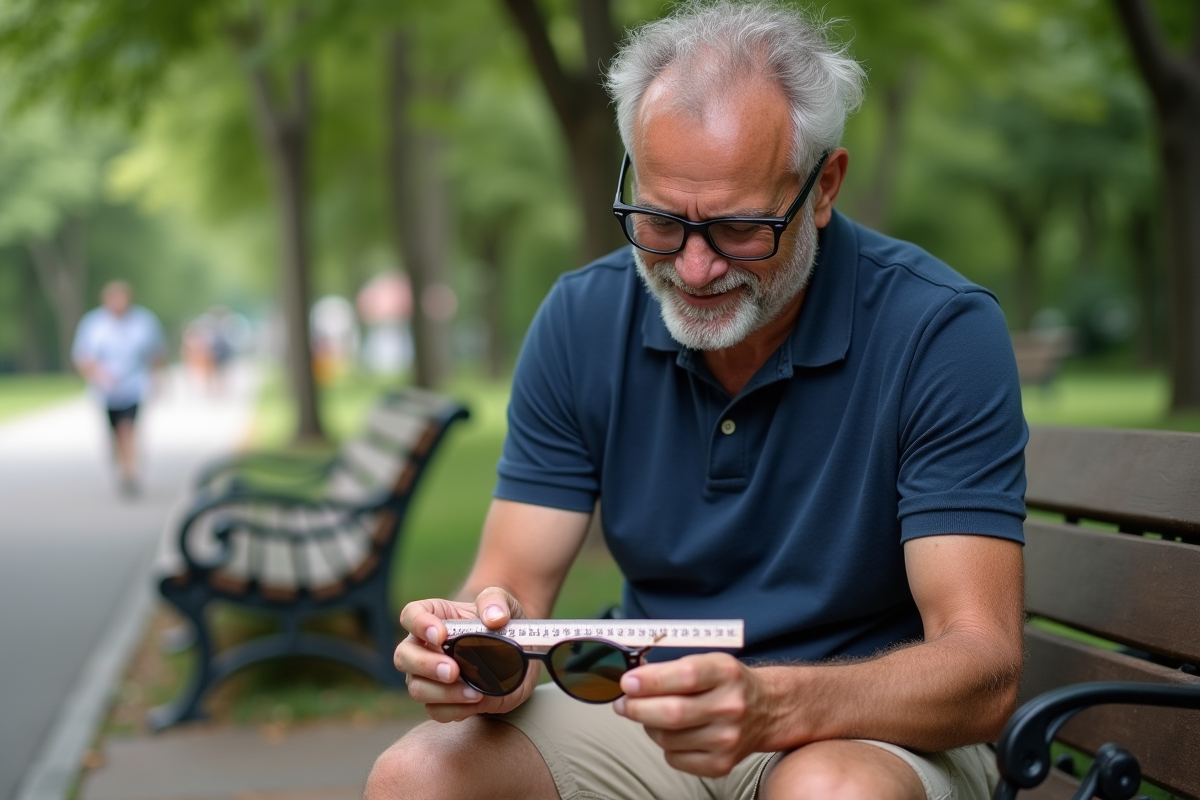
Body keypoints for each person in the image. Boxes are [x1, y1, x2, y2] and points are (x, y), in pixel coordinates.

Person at [367, 3, 1026, 799]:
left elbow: (982, 669)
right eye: (660, 220)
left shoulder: (938, 330)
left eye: (741, 229)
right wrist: (473, 655)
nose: (695, 267)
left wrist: (774, 703)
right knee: (418, 776)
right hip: (647, 707)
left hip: (870, 728)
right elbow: (510, 581)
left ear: (824, 188)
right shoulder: (581, 319)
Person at [72, 280, 167, 496]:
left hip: (134, 386)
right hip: (106, 390)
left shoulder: (144, 321)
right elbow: (82, 356)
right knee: (115, 432)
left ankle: (130, 473)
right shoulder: (93, 324)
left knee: (128, 428)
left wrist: (159, 379)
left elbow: (156, 353)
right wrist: (100, 374)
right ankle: (121, 462)